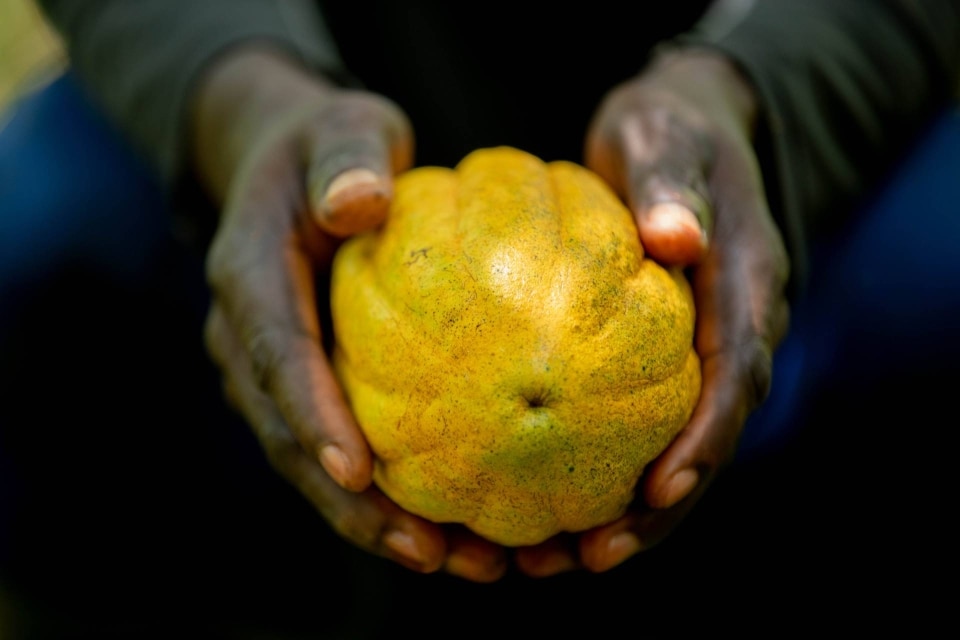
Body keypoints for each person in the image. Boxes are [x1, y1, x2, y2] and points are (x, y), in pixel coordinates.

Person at [2, 0, 958, 636]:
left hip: (763, 80)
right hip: (295, 74)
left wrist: (765, 91)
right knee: (31, 244)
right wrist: (232, 95)